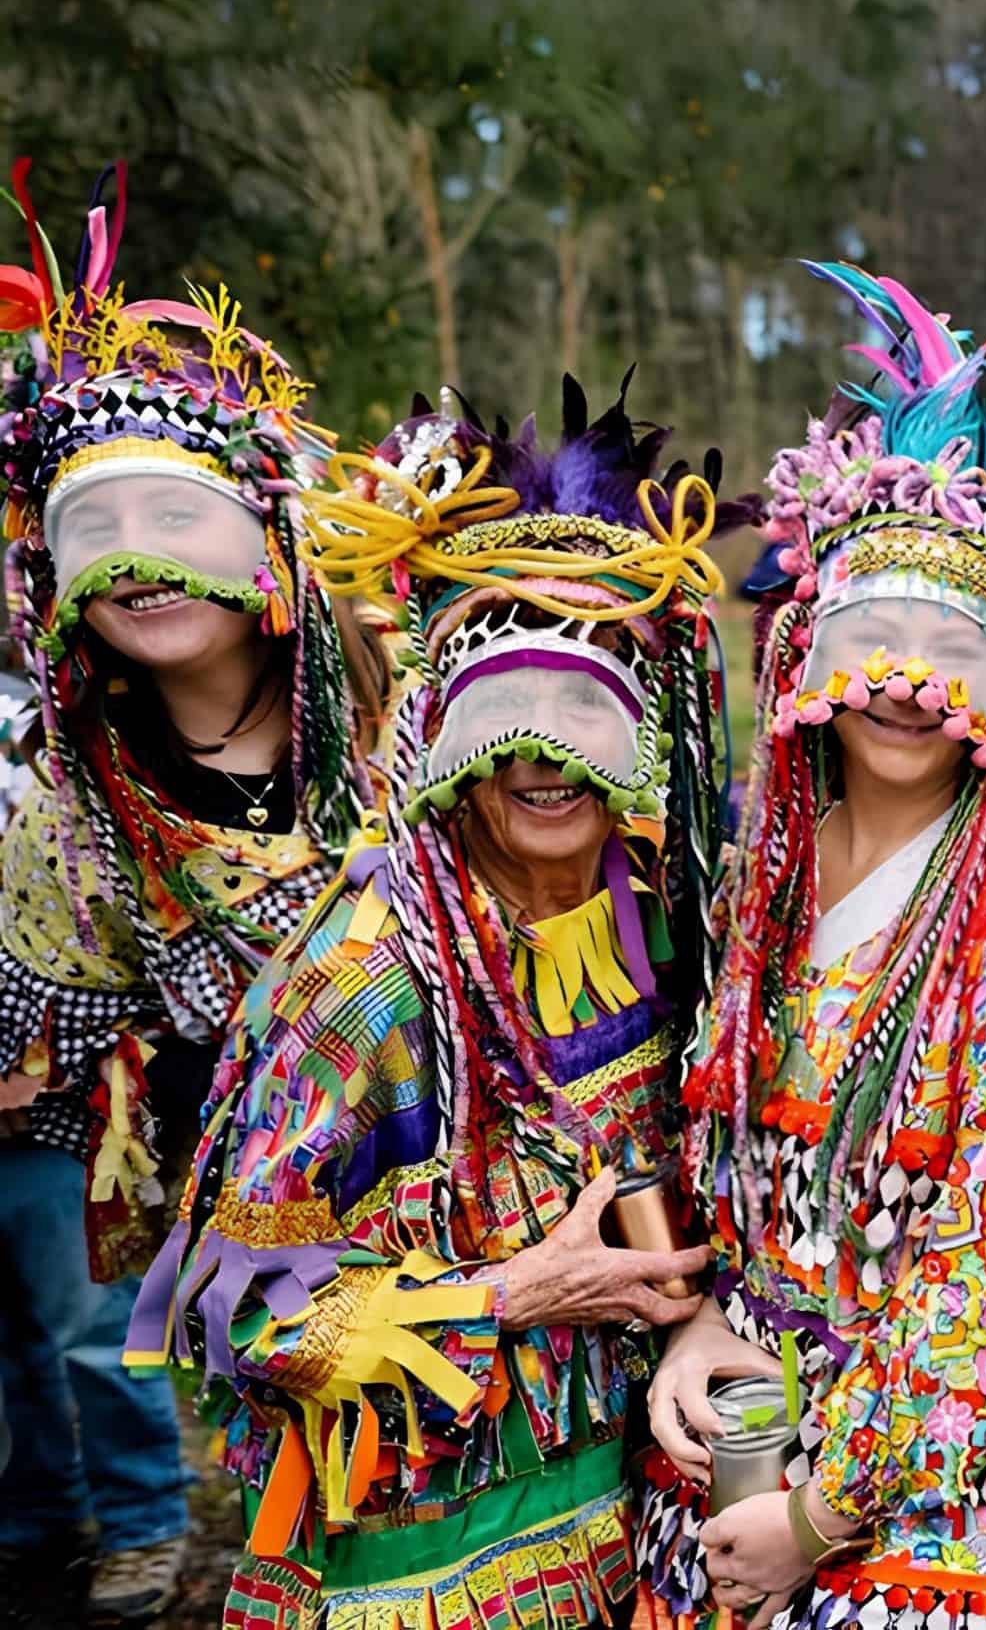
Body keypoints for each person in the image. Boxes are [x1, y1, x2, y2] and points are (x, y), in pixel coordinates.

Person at [121, 378, 731, 1629]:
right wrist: (511, 1293)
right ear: (436, 731)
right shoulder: (368, 977)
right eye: (500, 712)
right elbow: (238, 1317)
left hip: (632, 1521)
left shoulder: (665, 918)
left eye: (585, 708)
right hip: (424, 1570)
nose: (537, 755)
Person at [641, 264, 986, 1630]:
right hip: (752, 1430)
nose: (901, 680)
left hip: (960, 1491)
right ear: (806, 656)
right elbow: (726, 1165)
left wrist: (821, 1514)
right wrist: (704, 1325)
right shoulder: (764, 874)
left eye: (949, 648)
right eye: (868, 637)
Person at [0, 174, 380, 1625]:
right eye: (101, 526)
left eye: (181, 512)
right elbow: (50, 1036)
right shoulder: (74, 815)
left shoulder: (409, 709)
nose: (141, 558)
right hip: (256, 1215)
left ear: (269, 534)